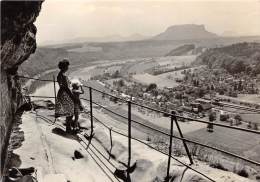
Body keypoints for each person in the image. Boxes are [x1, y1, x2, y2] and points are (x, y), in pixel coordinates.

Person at [55, 59, 75, 133]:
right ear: (64, 67)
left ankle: (68, 127)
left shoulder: (59, 75)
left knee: (68, 110)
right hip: (65, 94)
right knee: (71, 110)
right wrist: (73, 97)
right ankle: (68, 128)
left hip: (61, 93)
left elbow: (63, 86)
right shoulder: (63, 76)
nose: (68, 67)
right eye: (67, 66)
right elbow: (66, 88)